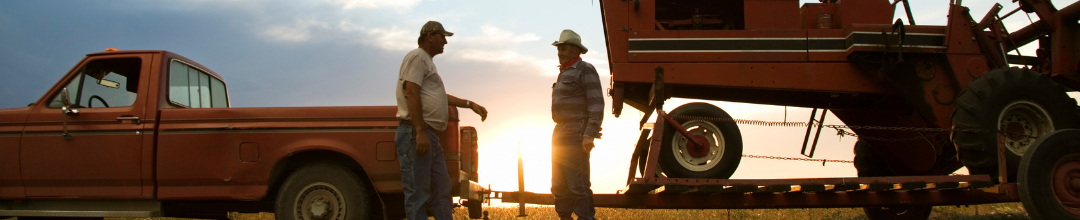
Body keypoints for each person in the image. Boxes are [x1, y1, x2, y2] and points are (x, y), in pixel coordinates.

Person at [395, 20, 488, 220]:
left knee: (441, 190)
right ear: (430, 36)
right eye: (442, 36)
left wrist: (470, 104)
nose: (445, 41)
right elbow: (411, 92)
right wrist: (419, 132)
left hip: (430, 136)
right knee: (418, 192)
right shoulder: (417, 57)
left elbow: (439, 97)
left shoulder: (427, 62)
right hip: (417, 133)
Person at [550, 29, 603, 220]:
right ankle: (564, 217)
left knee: (577, 184)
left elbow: (596, 103)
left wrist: (590, 134)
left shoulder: (585, 69)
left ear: (575, 50)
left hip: (575, 131)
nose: (560, 52)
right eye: (559, 48)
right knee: (558, 184)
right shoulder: (564, 72)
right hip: (560, 131)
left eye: (564, 48)